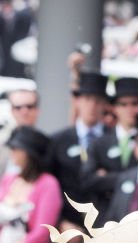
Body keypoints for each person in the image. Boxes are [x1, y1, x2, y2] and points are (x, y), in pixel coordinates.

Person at [48, 69, 111, 231]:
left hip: (106, 225)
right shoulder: (58, 141)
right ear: (77, 101)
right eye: (87, 99)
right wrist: (59, 221)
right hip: (68, 226)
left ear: (105, 104)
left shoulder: (114, 140)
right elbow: (49, 184)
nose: (92, 106)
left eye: (97, 101)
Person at [0, 126, 61, 243]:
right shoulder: (8, 179)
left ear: (29, 153)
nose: (12, 152)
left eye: (16, 148)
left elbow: (42, 231)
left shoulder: (48, 184)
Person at [81, 77, 138, 222]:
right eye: (123, 104)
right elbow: (88, 180)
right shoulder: (99, 143)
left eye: (135, 103)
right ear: (114, 107)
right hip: (105, 218)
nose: (129, 109)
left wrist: (107, 177)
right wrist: (131, 178)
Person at [0, 85, 40, 215]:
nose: (24, 111)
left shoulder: (47, 148)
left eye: (30, 106)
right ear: (11, 110)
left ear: (37, 110)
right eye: (18, 107)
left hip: (34, 220)